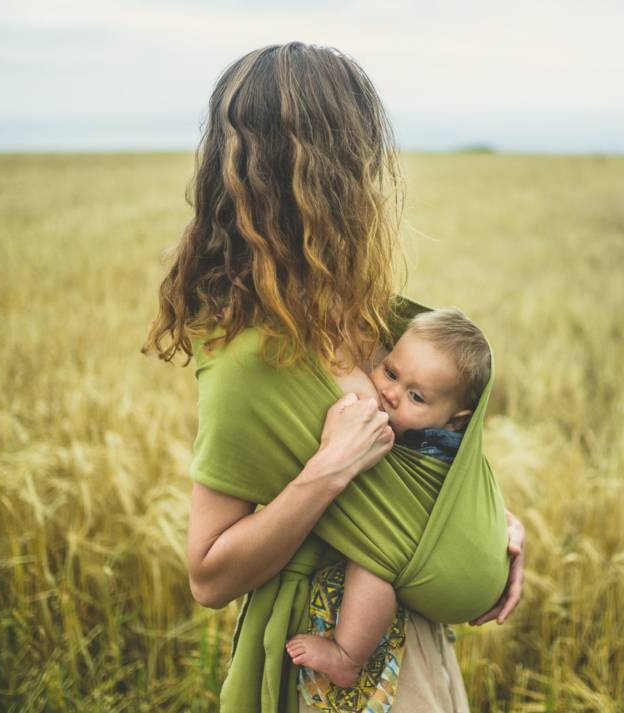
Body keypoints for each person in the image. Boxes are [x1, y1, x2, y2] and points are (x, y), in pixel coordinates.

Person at [142, 41, 525, 713]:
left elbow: (418, 465)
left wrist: (485, 523)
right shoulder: (248, 360)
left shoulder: (368, 316)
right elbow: (208, 574)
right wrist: (328, 469)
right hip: (328, 664)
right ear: (331, 173)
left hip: (416, 649)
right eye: (362, 156)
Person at [285, 308, 493, 689]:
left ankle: (347, 657)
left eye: (416, 396)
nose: (390, 394)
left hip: (410, 548)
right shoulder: (411, 415)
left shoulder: (436, 449)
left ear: (455, 422)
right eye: (391, 372)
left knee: (375, 562)